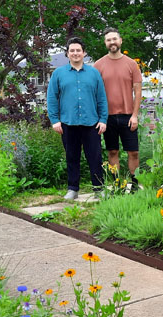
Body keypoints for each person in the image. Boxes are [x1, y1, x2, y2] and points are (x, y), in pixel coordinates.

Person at [47, 37, 108, 200]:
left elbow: (101, 98)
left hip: (92, 123)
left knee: (95, 156)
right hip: (68, 122)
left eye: (78, 50)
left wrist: (103, 119)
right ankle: (72, 189)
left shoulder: (94, 73)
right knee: (71, 156)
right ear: (67, 54)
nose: (75, 53)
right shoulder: (58, 74)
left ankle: (98, 188)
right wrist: (54, 120)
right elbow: (52, 97)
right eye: (72, 50)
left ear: (84, 53)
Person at [93, 27, 143, 191]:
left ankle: (133, 185)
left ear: (120, 41)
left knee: (133, 152)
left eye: (114, 39)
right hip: (107, 118)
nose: (112, 42)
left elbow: (138, 91)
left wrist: (135, 115)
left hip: (128, 116)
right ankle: (117, 185)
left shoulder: (131, 64)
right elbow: (93, 92)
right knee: (112, 151)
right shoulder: (98, 65)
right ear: (105, 43)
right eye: (108, 40)